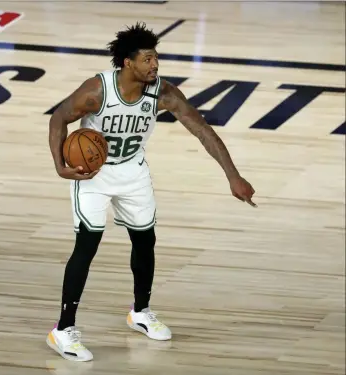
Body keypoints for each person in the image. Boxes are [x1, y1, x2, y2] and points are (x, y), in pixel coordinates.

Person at [47, 22, 256, 362]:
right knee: (87, 244)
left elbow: (202, 130)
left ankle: (140, 312)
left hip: (133, 170)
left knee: (145, 241)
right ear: (128, 63)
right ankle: (63, 330)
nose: (154, 65)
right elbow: (58, 119)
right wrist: (59, 165)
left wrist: (233, 176)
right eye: (147, 59)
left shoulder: (163, 93)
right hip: (94, 175)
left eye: (155, 59)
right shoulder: (96, 91)